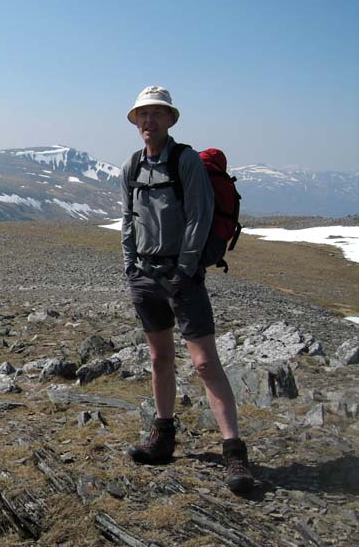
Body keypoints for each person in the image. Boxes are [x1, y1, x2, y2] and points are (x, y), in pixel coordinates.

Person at [120, 85, 254, 494]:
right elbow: (128, 217)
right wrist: (130, 265)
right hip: (145, 274)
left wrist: (186, 267)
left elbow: (200, 215)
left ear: (170, 120)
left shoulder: (187, 161)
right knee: (160, 357)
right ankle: (163, 436)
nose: (149, 121)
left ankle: (234, 451)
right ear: (136, 121)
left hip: (181, 275)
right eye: (143, 114)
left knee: (203, 363)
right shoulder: (132, 166)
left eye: (157, 114)